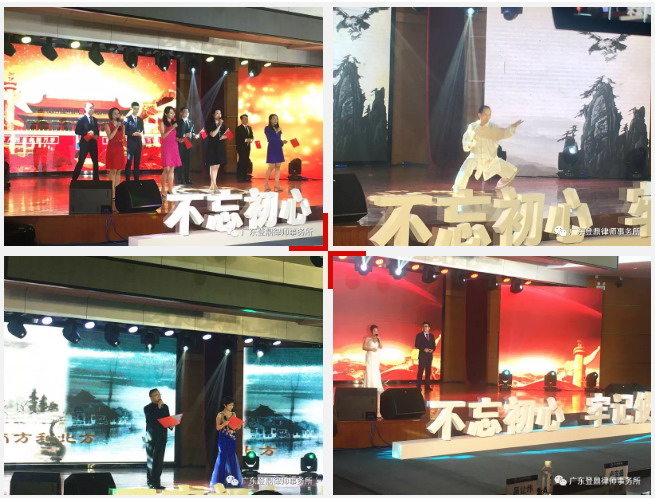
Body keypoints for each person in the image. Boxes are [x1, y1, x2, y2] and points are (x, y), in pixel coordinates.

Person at [452, 105, 524, 191]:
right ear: (479, 115)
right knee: (466, 167)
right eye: (485, 114)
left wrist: (512, 127)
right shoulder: (472, 126)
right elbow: (466, 139)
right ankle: (458, 188)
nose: (488, 117)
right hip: (476, 157)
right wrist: (470, 144)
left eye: (489, 115)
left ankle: (501, 186)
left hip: (490, 159)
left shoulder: (494, 127)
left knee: (511, 171)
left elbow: (504, 133)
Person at [210, 397, 243, 490]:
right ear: (225, 405)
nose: (231, 407)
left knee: (232, 457)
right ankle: (219, 481)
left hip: (232, 438)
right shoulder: (220, 415)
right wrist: (225, 424)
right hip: (223, 438)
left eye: (232, 405)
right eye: (230, 405)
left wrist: (238, 426)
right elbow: (217, 428)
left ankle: (233, 481)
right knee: (222, 457)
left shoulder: (233, 414)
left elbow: (236, 427)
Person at [144, 388, 173, 490]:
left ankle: (157, 482)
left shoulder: (165, 407)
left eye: (159, 394)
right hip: (151, 438)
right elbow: (152, 420)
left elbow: (167, 420)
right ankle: (150, 482)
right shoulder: (147, 408)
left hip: (162, 437)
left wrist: (171, 424)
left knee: (159, 461)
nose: (159, 396)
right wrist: (159, 408)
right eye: (156, 395)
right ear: (151, 397)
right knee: (151, 460)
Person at [72, 102, 100, 181]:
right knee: (81, 161)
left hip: (93, 143)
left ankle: (96, 180)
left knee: (95, 162)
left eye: (93, 108)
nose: (92, 109)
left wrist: (96, 135)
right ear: (85, 109)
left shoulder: (95, 119)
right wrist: (87, 133)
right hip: (85, 143)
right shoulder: (81, 119)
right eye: (90, 108)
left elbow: (97, 131)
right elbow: (77, 131)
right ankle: (74, 180)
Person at [159, 106, 182, 195]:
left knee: (172, 168)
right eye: (171, 113)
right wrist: (172, 128)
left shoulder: (174, 123)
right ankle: (163, 188)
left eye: (173, 113)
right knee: (166, 168)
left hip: (174, 146)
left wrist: (179, 139)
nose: (173, 114)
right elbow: (163, 136)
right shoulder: (162, 123)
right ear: (166, 114)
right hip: (166, 146)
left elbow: (173, 136)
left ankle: (170, 188)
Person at [104, 107, 125, 199]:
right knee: (113, 170)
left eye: (118, 113)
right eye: (115, 113)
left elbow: (123, 136)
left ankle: (117, 190)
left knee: (119, 170)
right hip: (112, 148)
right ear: (111, 115)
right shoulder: (107, 125)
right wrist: (116, 127)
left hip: (120, 148)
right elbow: (110, 137)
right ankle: (112, 191)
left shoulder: (122, 125)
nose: (117, 115)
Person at [205, 109, 228, 191]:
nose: (219, 115)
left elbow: (225, 134)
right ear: (213, 115)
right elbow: (213, 134)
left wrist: (224, 136)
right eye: (217, 113)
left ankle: (212, 185)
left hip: (220, 146)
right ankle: (214, 184)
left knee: (217, 166)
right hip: (212, 146)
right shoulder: (210, 123)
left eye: (220, 113)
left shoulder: (223, 125)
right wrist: (219, 125)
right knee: (213, 165)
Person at [263, 114, 287, 192]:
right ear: (270, 120)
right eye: (274, 118)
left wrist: (282, 142)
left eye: (277, 118)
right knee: (271, 166)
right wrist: (277, 131)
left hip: (278, 148)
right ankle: (266, 184)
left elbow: (277, 139)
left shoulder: (278, 128)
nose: (275, 120)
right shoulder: (267, 128)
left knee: (278, 166)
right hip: (272, 148)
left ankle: (276, 184)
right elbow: (270, 139)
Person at [175, 107, 197, 185]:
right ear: (181, 113)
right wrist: (184, 135)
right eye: (184, 112)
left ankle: (187, 179)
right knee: (180, 161)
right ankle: (180, 179)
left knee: (187, 162)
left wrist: (195, 135)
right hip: (180, 143)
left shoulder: (191, 122)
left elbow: (192, 131)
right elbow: (176, 134)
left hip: (188, 143)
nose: (186, 113)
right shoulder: (178, 122)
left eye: (187, 112)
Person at [124, 102, 145, 182]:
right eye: (135, 109)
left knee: (137, 163)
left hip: (138, 143)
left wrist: (140, 134)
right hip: (130, 143)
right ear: (131, 109)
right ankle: (127, 181)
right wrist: (132, 134)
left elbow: (142, 131)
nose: (136, 110)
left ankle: (136, 181)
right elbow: (124, 131)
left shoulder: (140, 120)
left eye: (137, 109)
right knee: (129, 161)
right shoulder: (127, 119)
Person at [415, 321, 436, 391]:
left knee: (428, 371)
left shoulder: (432, 336)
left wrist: (432, 350)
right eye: (424, 326)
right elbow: (416, 345)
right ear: (422, 328)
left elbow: (434, 345)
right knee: (421, 370)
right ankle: (418, 386)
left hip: (429, 356)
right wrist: (424, 349)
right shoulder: (419, 335)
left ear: (429, 328)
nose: (425, 328)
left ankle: (427, 386)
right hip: (422, 356)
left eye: (426, 326)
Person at [363, 325, 384, 393]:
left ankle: (376, 386)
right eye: (374, 331)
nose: (376, 332)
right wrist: (371, 349)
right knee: (370, 370)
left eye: (377, 331)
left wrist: (379, 339)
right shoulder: (368, 338)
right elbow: (364, 347)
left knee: (376, 370)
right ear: (371, 331)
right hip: (370, 355)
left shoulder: (378, 338)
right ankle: (369, 386)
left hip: (376, 356)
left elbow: (381, 347)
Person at [235, 114, 254, 182]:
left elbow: (251, 136)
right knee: (241, 161)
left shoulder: (249, 128)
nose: (246, 120)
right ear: (241, 120)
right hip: (241, 147)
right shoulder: (239, 128)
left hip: (247, 147)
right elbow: (238, 138)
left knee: (246, 161)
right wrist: (246, 140)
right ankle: (240, 176)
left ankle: (245, 175)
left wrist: (251, 139)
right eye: (245, 119)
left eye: (247, 119)